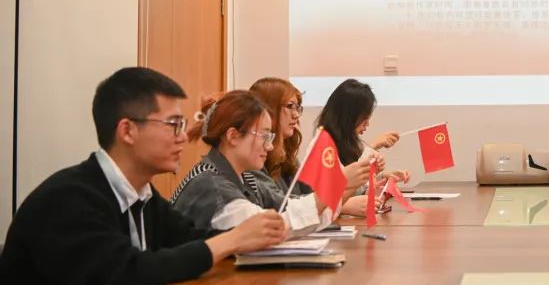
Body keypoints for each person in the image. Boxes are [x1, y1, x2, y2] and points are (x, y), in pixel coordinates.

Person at [0, 68, 286, 285]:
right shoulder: (67, 199)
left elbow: (189, 238)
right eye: (173, 125)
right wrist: (232, 240)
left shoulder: (144, 196)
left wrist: (249, 238)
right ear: (127, 131)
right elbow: (127, 275)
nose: (182, 137)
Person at [170, 91, 363, 234]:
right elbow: (270, 229)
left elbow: (289, 209)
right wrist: (336, 183)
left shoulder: (244, 178)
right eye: (264, 136)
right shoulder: (211, 186)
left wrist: (343, 187)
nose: (269, 146)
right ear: (233, 136)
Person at [316, 79, 408, 213]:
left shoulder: (349, 142)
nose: (367, 124)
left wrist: (381, 178)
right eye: (364, 119)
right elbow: (338, 189)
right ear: (348, 116)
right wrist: (372, 147)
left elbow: (356, 187)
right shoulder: (324, 146)